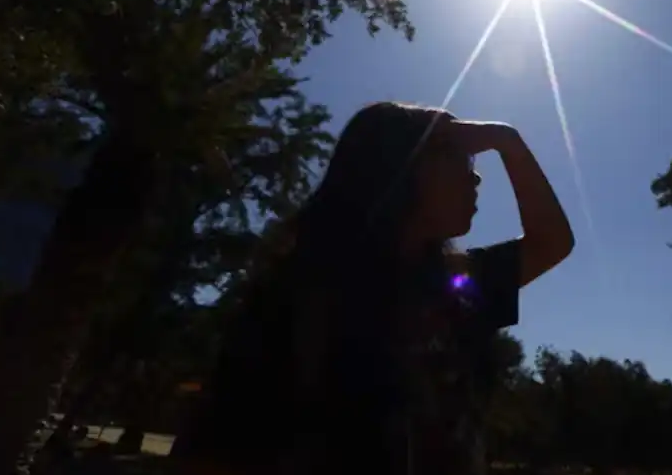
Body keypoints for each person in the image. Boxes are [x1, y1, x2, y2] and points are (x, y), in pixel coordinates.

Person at [170, 101, 574, 474]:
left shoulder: (461, 283)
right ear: (397, 168)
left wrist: (507, 140)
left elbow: (553, 241)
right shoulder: (300, 298)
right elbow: (216, 448)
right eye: (454, 154)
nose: (477, 175)